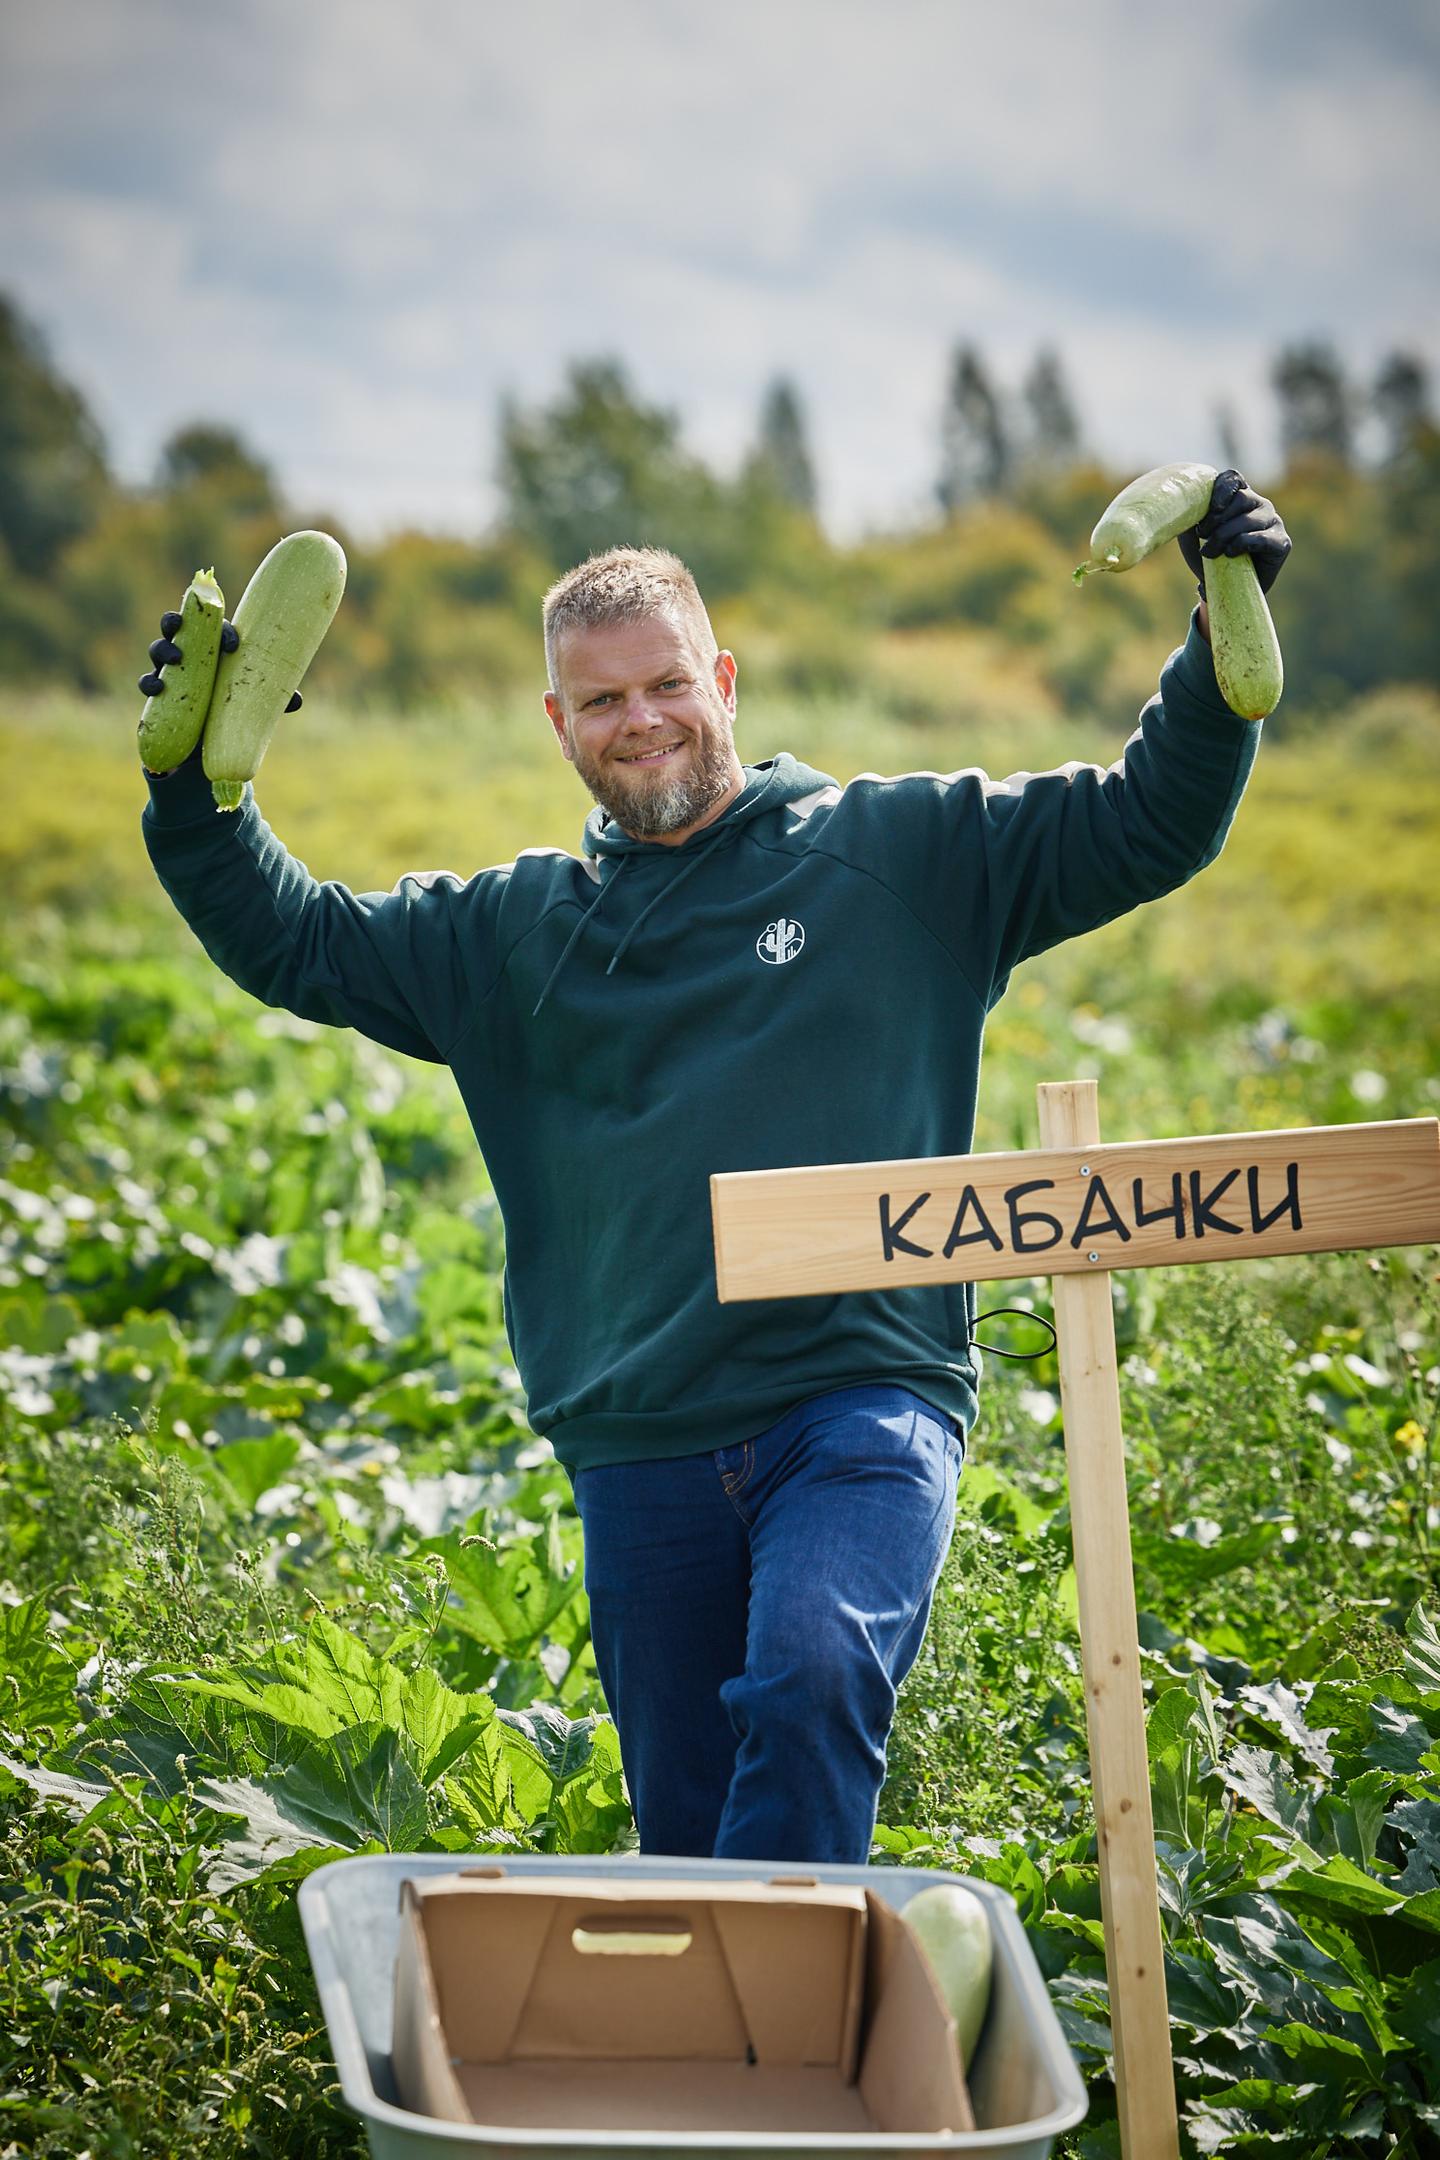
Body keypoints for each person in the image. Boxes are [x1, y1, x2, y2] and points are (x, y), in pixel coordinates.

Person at [137, 470, 1291, 1866]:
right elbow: (297, 940)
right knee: (686, 1827)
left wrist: (1224, 616)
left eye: (667, 684)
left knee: (811, 1678)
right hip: (643, 1438)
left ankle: (800, 2036)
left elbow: (1144, 822)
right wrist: (196, 797)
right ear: (560, 725)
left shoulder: (899, 855)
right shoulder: (510, 934)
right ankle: (740, 2052)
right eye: (605, 702)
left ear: (724, 680)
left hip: (856, 1400)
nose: (643, 723)